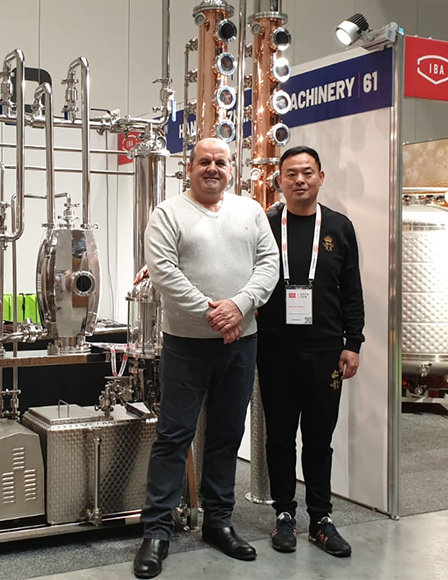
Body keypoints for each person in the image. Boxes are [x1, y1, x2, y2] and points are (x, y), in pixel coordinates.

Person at [133, 137, 279, 578]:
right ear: (189, 168)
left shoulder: (250, 211)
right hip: (186, 345)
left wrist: (239, 306)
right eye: (204, 162)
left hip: (241, 343)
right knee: (174, 436)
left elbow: (269, 265)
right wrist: (213, 314)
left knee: (226, 435)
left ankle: (218, 522)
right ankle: (157, 531)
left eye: (220, 161)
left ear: (231, 168)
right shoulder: (168, 213)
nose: (212, 168)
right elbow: (164, 272)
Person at [256, 145, 365, 558]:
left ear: (321, 177)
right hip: (274, 349)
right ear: (280, 180)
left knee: (319, 438)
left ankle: (321, 517)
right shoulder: (266, 224)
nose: (299, 180)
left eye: (307, 172)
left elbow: (351, 289)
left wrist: (353, 343)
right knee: (280, 437)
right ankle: (284, 514)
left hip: (325, 351)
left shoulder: (339, 226)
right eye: (291, 174)